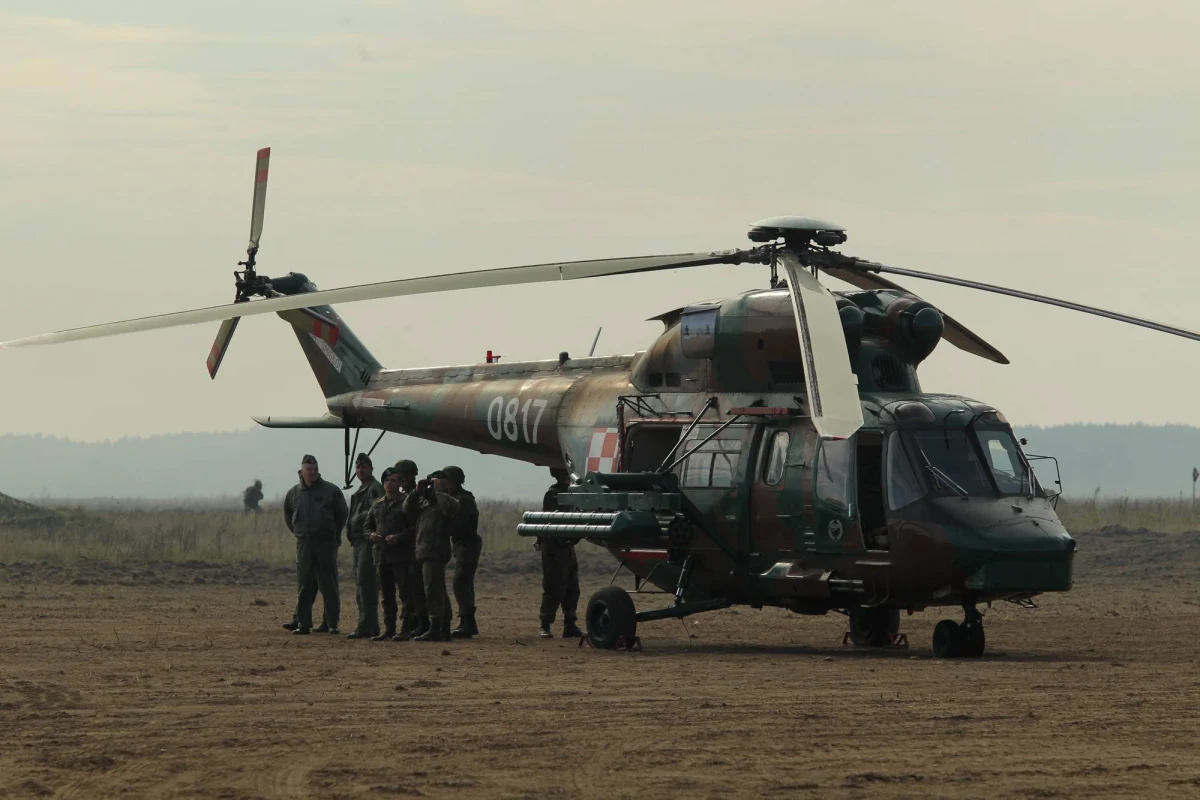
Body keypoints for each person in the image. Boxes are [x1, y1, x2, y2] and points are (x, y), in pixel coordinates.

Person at [283, 454, 348, 635]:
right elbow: (288, 515)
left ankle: (332, 623)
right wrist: (299, 532)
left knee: (329, 584)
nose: (312, 472)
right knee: (304, 584)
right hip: (304, 545)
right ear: (301, 472)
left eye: (315, 469)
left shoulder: (330, 491)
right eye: (309, 469)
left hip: (325, 544)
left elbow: (342, 513)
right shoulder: (294, 493)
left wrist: (334, 534)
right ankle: (303, 623)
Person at [366, 460, 425, 641]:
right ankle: (389, 628)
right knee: (386, 594)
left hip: (401, 555)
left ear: (400, 483)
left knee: (405, 593)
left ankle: (405, 628)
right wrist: (371, 535)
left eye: (393, 480)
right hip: (382, 555)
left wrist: (398, 537)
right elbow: (366, 526)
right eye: (387, 481)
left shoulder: (406, 503)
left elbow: (415, 527)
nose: (389, 484)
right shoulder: (377, 504)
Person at [405, 470, 459, 642]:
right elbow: (406, 509)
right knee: (437, 590)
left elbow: (449, 510)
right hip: (422, 550)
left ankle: (436, 627)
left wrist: (439, 490)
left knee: (433, 590)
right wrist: (416, 492)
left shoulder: (448, 501)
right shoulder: (424, 502)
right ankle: (442, 627)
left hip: (436, 551)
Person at [538, 467, 583, 639]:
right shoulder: (554, 494)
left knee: (572, 587)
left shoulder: (571, 493)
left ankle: (570, 623)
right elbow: (550, 519)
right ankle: (545, 624)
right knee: (553, 587)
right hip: (554, 547)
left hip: (567, 546)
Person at [345, 453, 384, 640]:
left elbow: (376, 512)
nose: (361, 470)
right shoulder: (361, 489)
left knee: (366, 584)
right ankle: (370, 625)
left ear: (371, 468)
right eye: (358, 467)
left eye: (364, 467)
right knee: (361, 584)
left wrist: (359, 520)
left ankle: (366, 626)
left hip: (368, 541)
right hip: (359, 542)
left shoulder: (375, 489)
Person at [443, 466, 481, 639]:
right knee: (464, 583)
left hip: (468, 544)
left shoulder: (464, 499)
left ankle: (467, 621)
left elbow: (460, 524)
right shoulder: (454, 498)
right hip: (461, 545)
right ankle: (467, 622)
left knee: (461, 582)